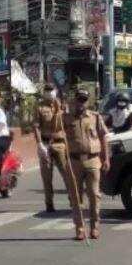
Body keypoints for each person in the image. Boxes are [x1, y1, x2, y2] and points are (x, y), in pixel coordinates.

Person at [33, 84, 85, 240]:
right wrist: (39, 144)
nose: (49, 93)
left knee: (67, 174)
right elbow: (36, 126)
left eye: (51, 90)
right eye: (47, 90)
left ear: (56, 92)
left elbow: (71, 124)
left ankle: (73, 202)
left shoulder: (63, 106)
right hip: (46, 143)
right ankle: (49, 204)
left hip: (61, 142)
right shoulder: (40, 107)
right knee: (46, 176)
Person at [64, 88, 109, 240]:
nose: (81, 103)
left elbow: (103, 137)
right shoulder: (66, 118)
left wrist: (106, 158)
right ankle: (79, 228)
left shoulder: (95, 117)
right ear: (74, 100)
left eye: (84, 100)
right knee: (76, 197)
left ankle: (95, 227)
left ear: (87, 101)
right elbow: (56, 134)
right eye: (79, 99)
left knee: (94, 195)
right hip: (74, 161)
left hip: (93, 160)